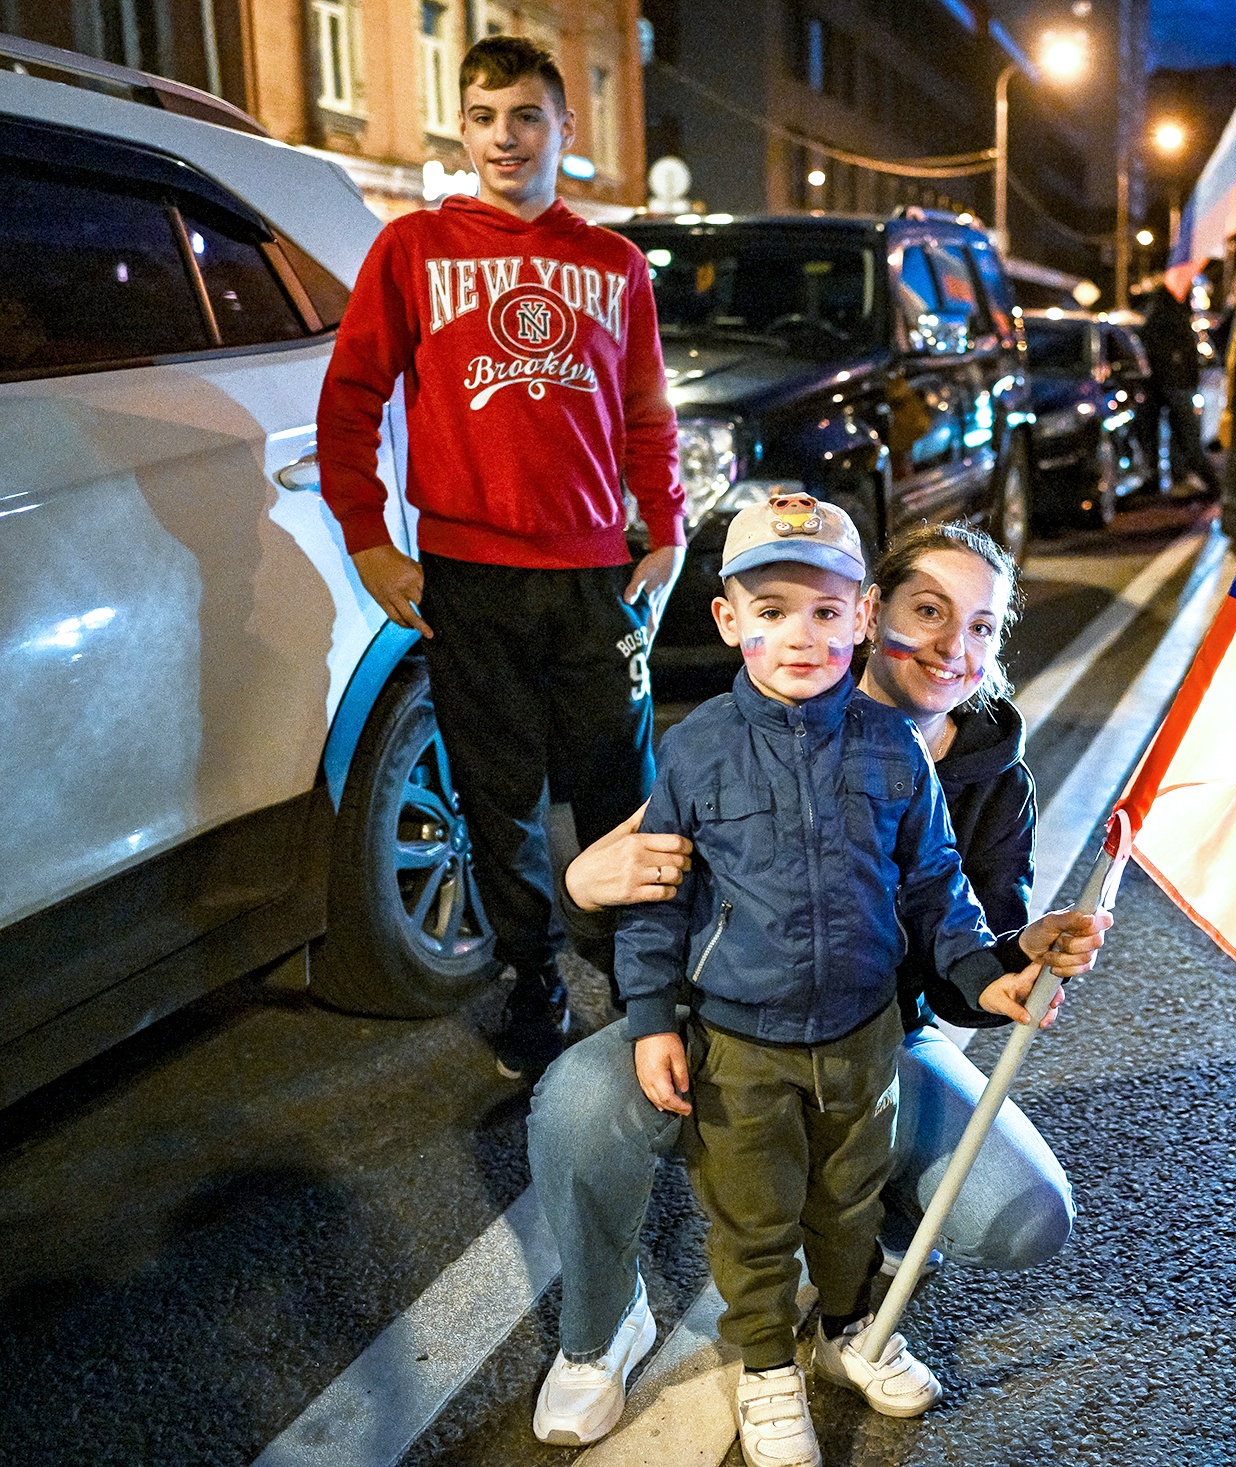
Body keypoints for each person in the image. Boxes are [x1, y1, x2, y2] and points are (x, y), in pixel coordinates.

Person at [526, 521, 1072, 1450]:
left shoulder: (937, 762)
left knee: (882, 1197)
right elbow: (651, 895)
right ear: (883, 613)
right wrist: (585, 896)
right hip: (733, 1033)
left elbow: (949, 907)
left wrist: (1010, 966)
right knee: (727, 1195)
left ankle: (852, 1314)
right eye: (929, 611)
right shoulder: (707, 747)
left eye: (982, 626)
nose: (953, 646)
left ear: (852, 615)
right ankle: (641, 1332)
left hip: (871, 1033)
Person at [316, 34, 685, 1080]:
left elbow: (645, 412)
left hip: (592, 575)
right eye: (481, 117)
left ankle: (638, 984)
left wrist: (664, 523)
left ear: (566, 128)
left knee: (618, 790)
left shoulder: (611, 265)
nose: (502, 138)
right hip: (467, 578)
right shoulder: (414, 250)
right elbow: (348, 404)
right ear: (463, 127)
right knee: (498, 797)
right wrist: (368, 542)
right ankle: (535, 980)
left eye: (525, 115)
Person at [1136, 279, 1219, 496]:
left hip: (1166, 385)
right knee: (1187, 436)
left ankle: (1173, 479)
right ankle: (1206, 483)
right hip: (1175, 385)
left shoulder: (1159, 318)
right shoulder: (1173, 319)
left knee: (1166, 437)